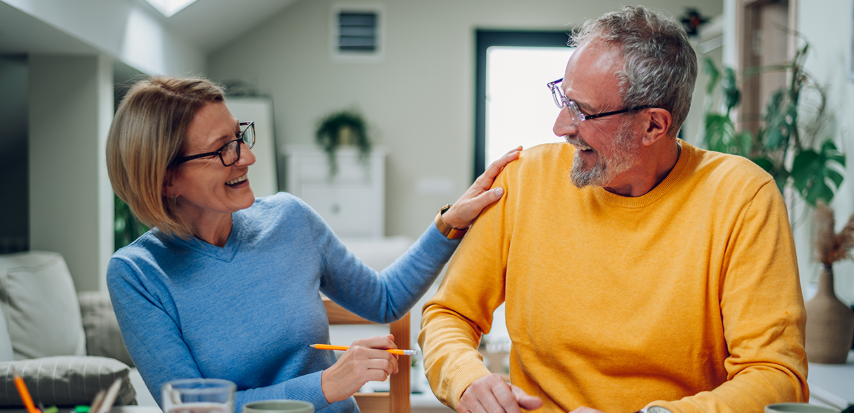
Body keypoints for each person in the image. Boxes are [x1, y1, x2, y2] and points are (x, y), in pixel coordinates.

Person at [419, 6, 808, 413]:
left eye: (582, 111)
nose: (560, 127)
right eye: (562, 99)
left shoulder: (742, 197)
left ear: (654, 126)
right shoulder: (523, 178)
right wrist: (467, 380)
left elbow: (776, 375)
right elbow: (448, 314)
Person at [105, 76, 521, 413]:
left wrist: (449, 223)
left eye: (240, 137)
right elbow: (193, 409)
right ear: (165, 178)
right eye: (223, 150)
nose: (247, 158)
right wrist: (330, 383)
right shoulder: (137, 274)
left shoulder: (290, 218)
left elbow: (384, 300)